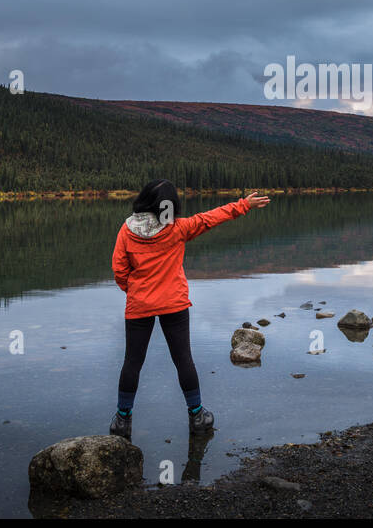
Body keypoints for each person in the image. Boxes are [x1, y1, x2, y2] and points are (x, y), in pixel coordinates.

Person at [109, 180, 270, 439]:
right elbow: (211, 218)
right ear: (170, 205)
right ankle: (197, 417)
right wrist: (243, 205)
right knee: (183, 359)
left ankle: (122, 421)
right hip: (174, 303)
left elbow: (119, 269)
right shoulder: (178, 228)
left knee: (132, 362)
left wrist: (136, 292)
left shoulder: (127, 230)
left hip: (139, 305)